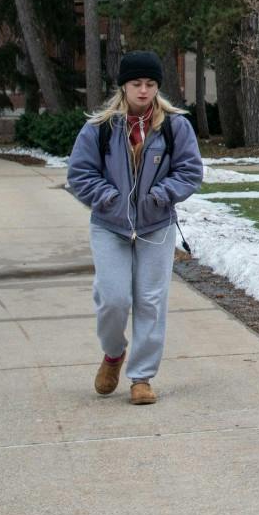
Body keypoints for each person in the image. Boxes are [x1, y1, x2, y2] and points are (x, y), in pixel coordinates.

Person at [65, 51, 204, 405]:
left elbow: (190, 171)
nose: (143, 91)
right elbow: (80, 174)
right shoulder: (100, 128)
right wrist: (108, 197)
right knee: (113, 299)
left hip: (156, 226)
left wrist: (162, 194)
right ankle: (113, 354)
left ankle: (141, 377)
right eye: (136, 84)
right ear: (123, 87)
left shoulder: (175, 126)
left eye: (150, 84)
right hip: (110, 225)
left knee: (151, 301)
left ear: (158, 87)